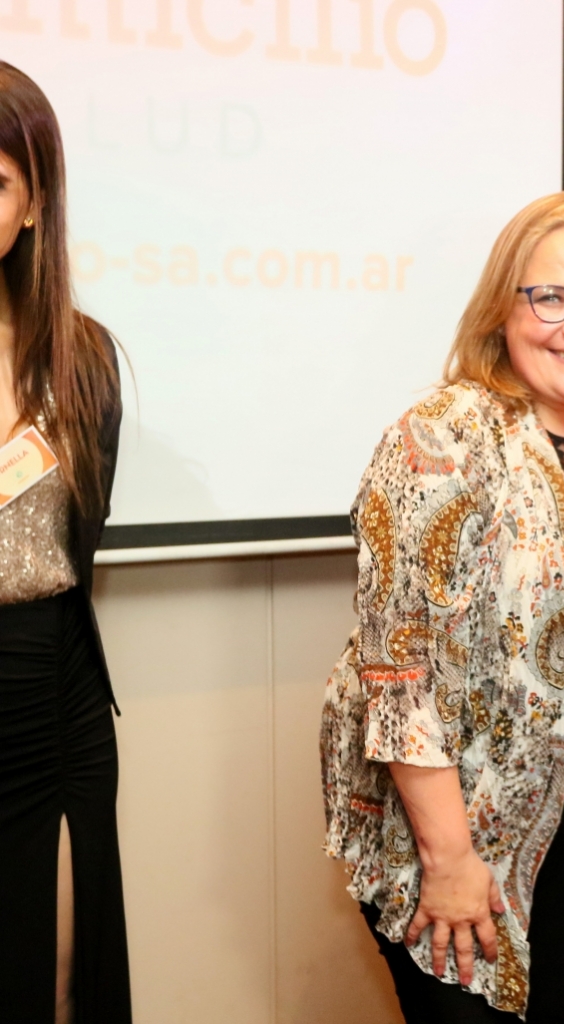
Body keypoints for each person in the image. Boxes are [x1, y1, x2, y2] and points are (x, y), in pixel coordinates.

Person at [320, 192, 564, 1023]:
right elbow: (398, 671)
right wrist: (448, 859)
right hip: (457, 839)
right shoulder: (444, 436)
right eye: (550, 297)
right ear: (502, 310)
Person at [0, 63, 129, 1024]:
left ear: (33, 203)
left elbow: (80, 543)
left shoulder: (81, 358)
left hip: (52, 689)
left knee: (56, 976)